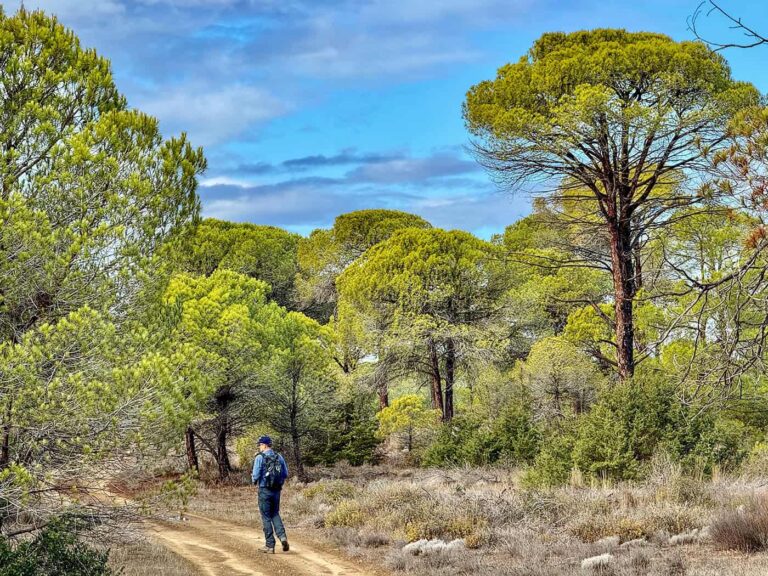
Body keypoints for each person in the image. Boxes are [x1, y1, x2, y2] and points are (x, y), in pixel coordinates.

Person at [251, 435, 290, 554]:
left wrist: (253, 480)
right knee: (275, 513)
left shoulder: (259, 457)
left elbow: (256, 475)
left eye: (260, 445)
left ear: (264, 445)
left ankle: (269, 545)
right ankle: (282, 537)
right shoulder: (279, 456)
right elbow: (285, 474)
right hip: (277, 490)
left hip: (264, 490)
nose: (259, 447)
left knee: (266, 516)